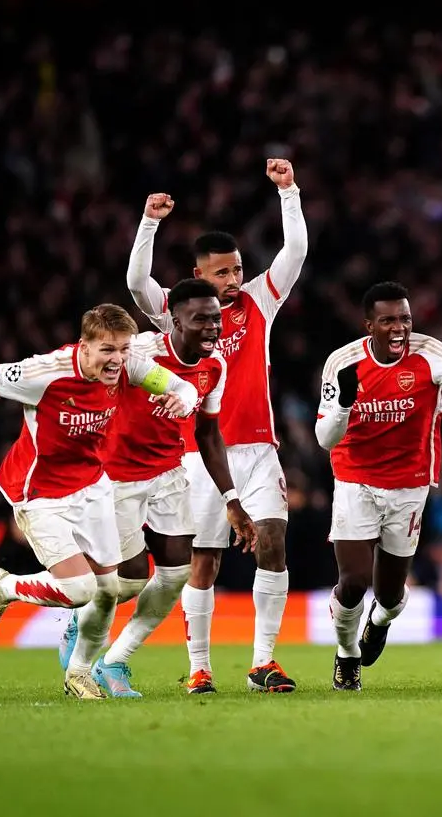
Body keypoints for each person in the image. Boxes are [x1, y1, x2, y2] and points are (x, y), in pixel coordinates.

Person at [0, 305, 198, 699]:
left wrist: (184, 398)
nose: (117, 360)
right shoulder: (44, 372)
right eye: (107, 350)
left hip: (92, 486)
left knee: (109, 588)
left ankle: (79, 673)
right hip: (39, 494)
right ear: (85, 346)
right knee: (80, 589)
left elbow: (180, 385)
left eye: (123, 349)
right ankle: (6, 587)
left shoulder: (128, 366)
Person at [126, 159, 309, 694]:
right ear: (200, 275)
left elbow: (294, 252)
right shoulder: (178, 313)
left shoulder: (259, 302)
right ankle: (200, 666)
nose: (234, 279)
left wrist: (288, 192)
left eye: (237, 269)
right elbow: (137, 282)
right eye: (223, 272)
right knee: (202, 561)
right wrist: (149, 223)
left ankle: (263, 661)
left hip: (258, 450)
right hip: (200, 456)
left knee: (274, 541)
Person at [57, 279, 259, 697]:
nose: (211, 327)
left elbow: (207, 433)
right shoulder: (139, 352)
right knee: (128, 581)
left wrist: (231, 498)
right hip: (115, 477)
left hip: (168, 474)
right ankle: (83, 620)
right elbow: (86, 368)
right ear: (176, 320)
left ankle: (114, 662)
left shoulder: (215, 366)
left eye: (216, 319)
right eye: (200, 318)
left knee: (176, 573)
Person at [315, 281, 442, 691]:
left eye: (404, 318)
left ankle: (379, 622)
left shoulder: (431, 355)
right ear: (369, 324)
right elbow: (325, 438)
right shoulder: (342, 363)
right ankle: (347, 654)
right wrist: (344, 405)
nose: (399, 327)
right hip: (355, 481)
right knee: (352, 583)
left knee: (389, 597)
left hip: (410, 486)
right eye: (388, 320)